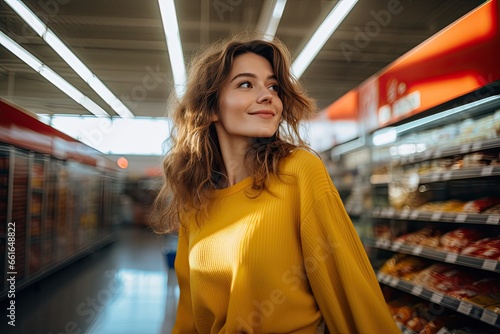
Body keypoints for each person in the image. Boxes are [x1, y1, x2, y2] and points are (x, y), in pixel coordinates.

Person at [150, 31, 399, 334]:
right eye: (245, 84)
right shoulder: (196, 199)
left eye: (273, 86)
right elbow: (189, 315)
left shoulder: (299, 172)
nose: (268, 95)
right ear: (212, 108)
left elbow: (348, 286)